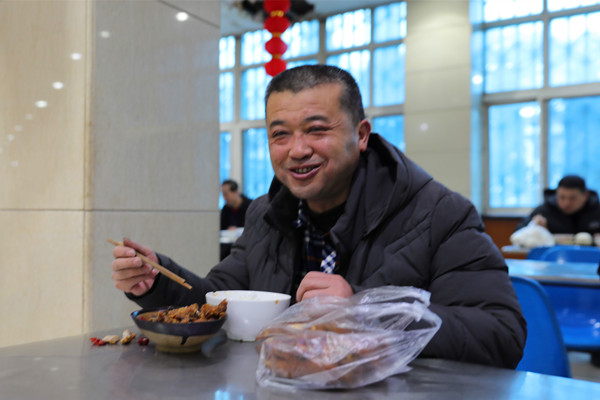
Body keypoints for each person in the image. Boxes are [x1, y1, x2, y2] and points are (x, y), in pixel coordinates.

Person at [111, 65, 525, 368]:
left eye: (316, 129)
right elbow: (219, 301)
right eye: (280, 134)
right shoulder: (267, 214)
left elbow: (501, 334)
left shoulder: (439, 213)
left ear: (361, 135)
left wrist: (362, 311)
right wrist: (158, 282)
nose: (297, 150)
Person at [516, 175, 600, 235]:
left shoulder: (597, 211)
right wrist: (535, 228)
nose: (566, 203)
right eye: (562, 197)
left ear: (585, 196)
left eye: (572, 198)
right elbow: (518, 233)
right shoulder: (544, 210)